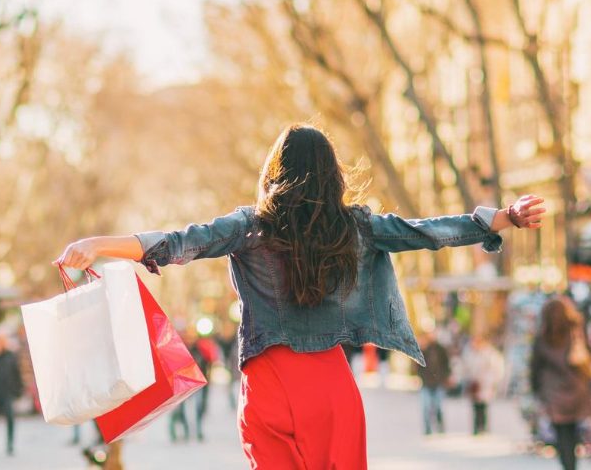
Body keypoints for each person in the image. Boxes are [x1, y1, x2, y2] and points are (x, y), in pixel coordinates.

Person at [54, 124, 545, 469]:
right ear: (332, 173)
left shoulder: (250, 227)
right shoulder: (353, 227)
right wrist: (502, 216)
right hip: (332, 389)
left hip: (269, 386)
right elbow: (423, 232)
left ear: (274, 169)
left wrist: (98, 245)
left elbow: (178, 242)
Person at [531, 296, 591, 470]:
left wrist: (536, 389)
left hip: (554, 391)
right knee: (572, 428)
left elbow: (536, 366)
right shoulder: (575, 330)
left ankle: (568, 464)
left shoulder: (543, 336)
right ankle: (571, 462)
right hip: (576, 387)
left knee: (561, 430)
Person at [462, 334, 504, 435]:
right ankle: (477, 427)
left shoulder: (490, 354)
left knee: (483, 406)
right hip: (474, 383)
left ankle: (483, 427)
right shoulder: (470, 353)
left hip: (486, 384)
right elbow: (465, 367)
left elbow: (497, 369)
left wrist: (493, 381)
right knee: (475, 406)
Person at [417, 330, 450, 435]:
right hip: (426, 383)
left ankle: (440, 425)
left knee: (438, 406)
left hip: (438, 383)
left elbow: (446, 364)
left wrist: (445, 377)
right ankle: (427, 428)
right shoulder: (423, 349)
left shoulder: (440, 349)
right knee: (426, 407)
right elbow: (417, 365)